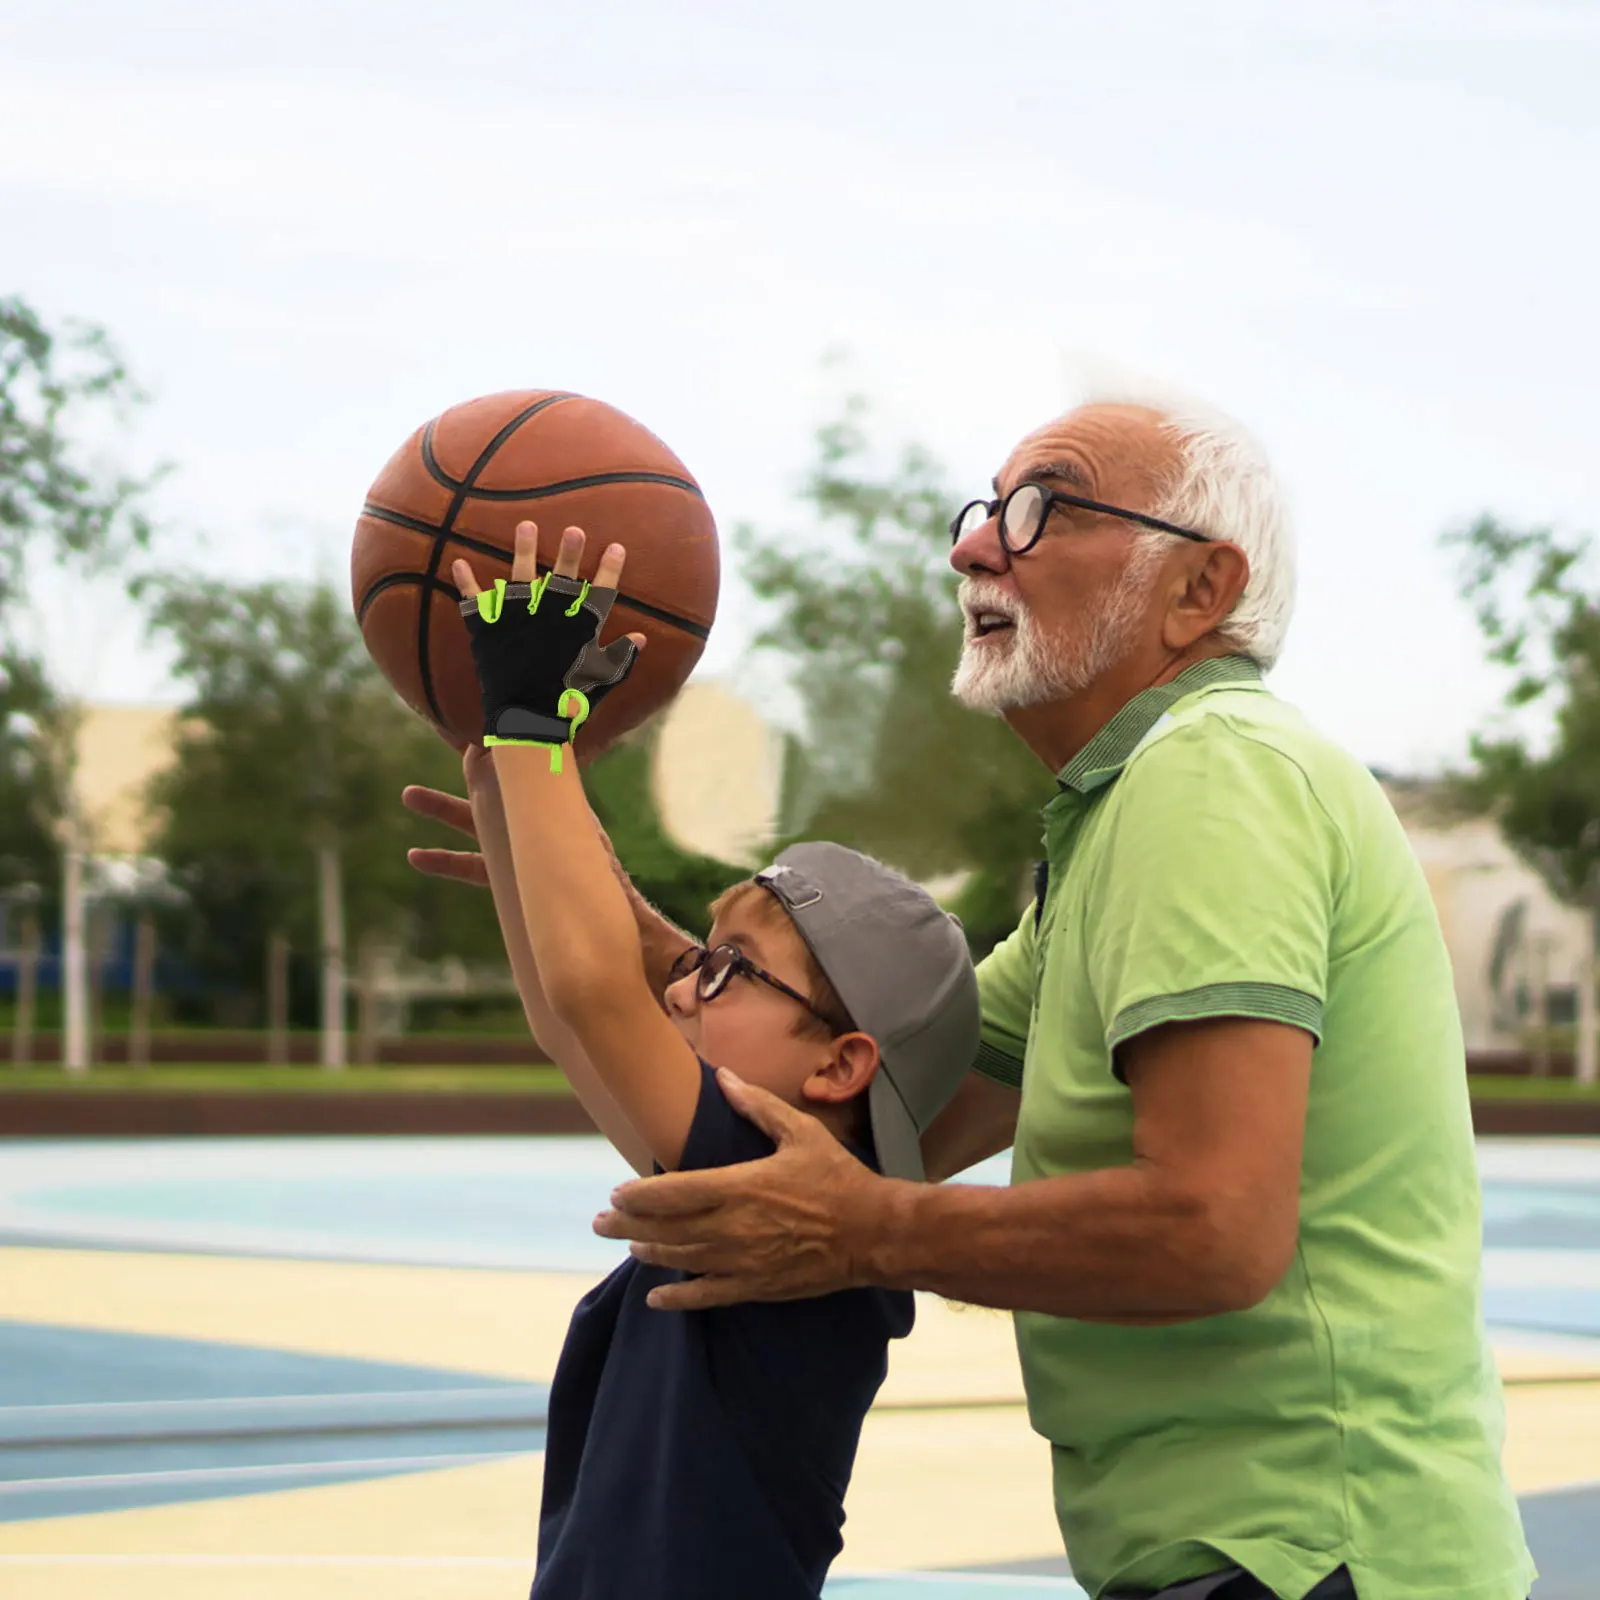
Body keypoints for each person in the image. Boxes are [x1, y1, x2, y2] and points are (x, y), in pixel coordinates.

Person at [563, 398, 1534, 1600]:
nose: (976, 546)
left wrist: (864, 1231)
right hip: (1267, 1557)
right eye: (985, 510)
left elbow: (1213, 1228)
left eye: (1046, 509)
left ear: (1198, 590)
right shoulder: (1114, 830)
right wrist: (559, 836)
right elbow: (854, 1084)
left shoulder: (1212, 774)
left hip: (1307, 1556)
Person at [419, 520, 980, 1600]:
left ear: (839, 1065)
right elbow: (564, 1016)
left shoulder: (783, 1210)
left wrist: (533, 726)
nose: (680, 982)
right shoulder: (756, 1207)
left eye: (728, 970)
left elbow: (591, 996)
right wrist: (507, 767)